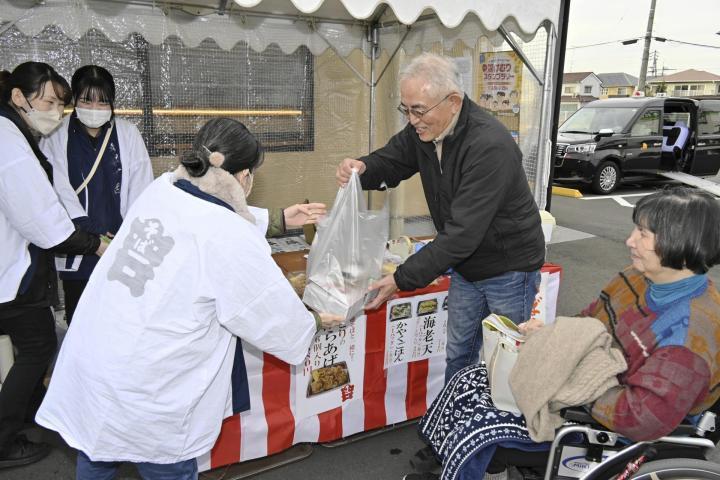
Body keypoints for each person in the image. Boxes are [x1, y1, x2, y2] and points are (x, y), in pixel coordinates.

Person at [36, 117, 341, 480]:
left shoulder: (162, 189)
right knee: (168, 466)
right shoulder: (226, 234)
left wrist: (277, 219)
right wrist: (315, 320)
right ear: (243, 177)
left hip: (98, 358)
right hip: (151, 386)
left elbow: (206, 214)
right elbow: (267, 311)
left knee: (97, 452)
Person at [406, 186, 720, 480]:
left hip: (610, 418)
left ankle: (455, 465)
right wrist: (552, 337)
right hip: (588, 375)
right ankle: (438, 458)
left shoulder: (689, 336)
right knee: (471, 379)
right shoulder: (640, 277)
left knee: (484, 426)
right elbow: (589, 320)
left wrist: (568, 382)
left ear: (681, 242)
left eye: (643, 233)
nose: (629, 240)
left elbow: (640, 418)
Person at [336, 52, 544, 473]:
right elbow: (393, 159)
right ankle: (451, 441)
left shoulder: (488, 144)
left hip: (509, 267)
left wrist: (400, 279)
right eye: (406, 109)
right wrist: (364, 167)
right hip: (468, 266)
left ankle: (505, 452)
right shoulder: (428, 129)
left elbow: (461, 235)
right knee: (460, 358)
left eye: (418, 110)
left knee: (504, 368)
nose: (411, 120)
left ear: (453, 100)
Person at [0, 62, 105, 469]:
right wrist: (94, 243)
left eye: (61, 104)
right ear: (18, 98)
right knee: (39, 346)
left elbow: (54, 195)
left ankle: (22, 417)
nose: (55, 111)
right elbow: (43, 221)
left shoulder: (18, 134)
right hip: (14, 271)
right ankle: (5, 438)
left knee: (33, 347)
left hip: (15, 263)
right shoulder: (9, 140)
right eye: (49, 101)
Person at [40, 65, 154, 325]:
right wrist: (88, 230)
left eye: (103, 101)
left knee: (121, 319)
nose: (95, 107)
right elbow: (56, 188)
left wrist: (129, 231)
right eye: (86, 100)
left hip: (120, 244)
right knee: (81, 318)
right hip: (78, 242)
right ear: (75, 100)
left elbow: (141, 183)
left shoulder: (127, 132)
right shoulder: (56, 134)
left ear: (112, 103)